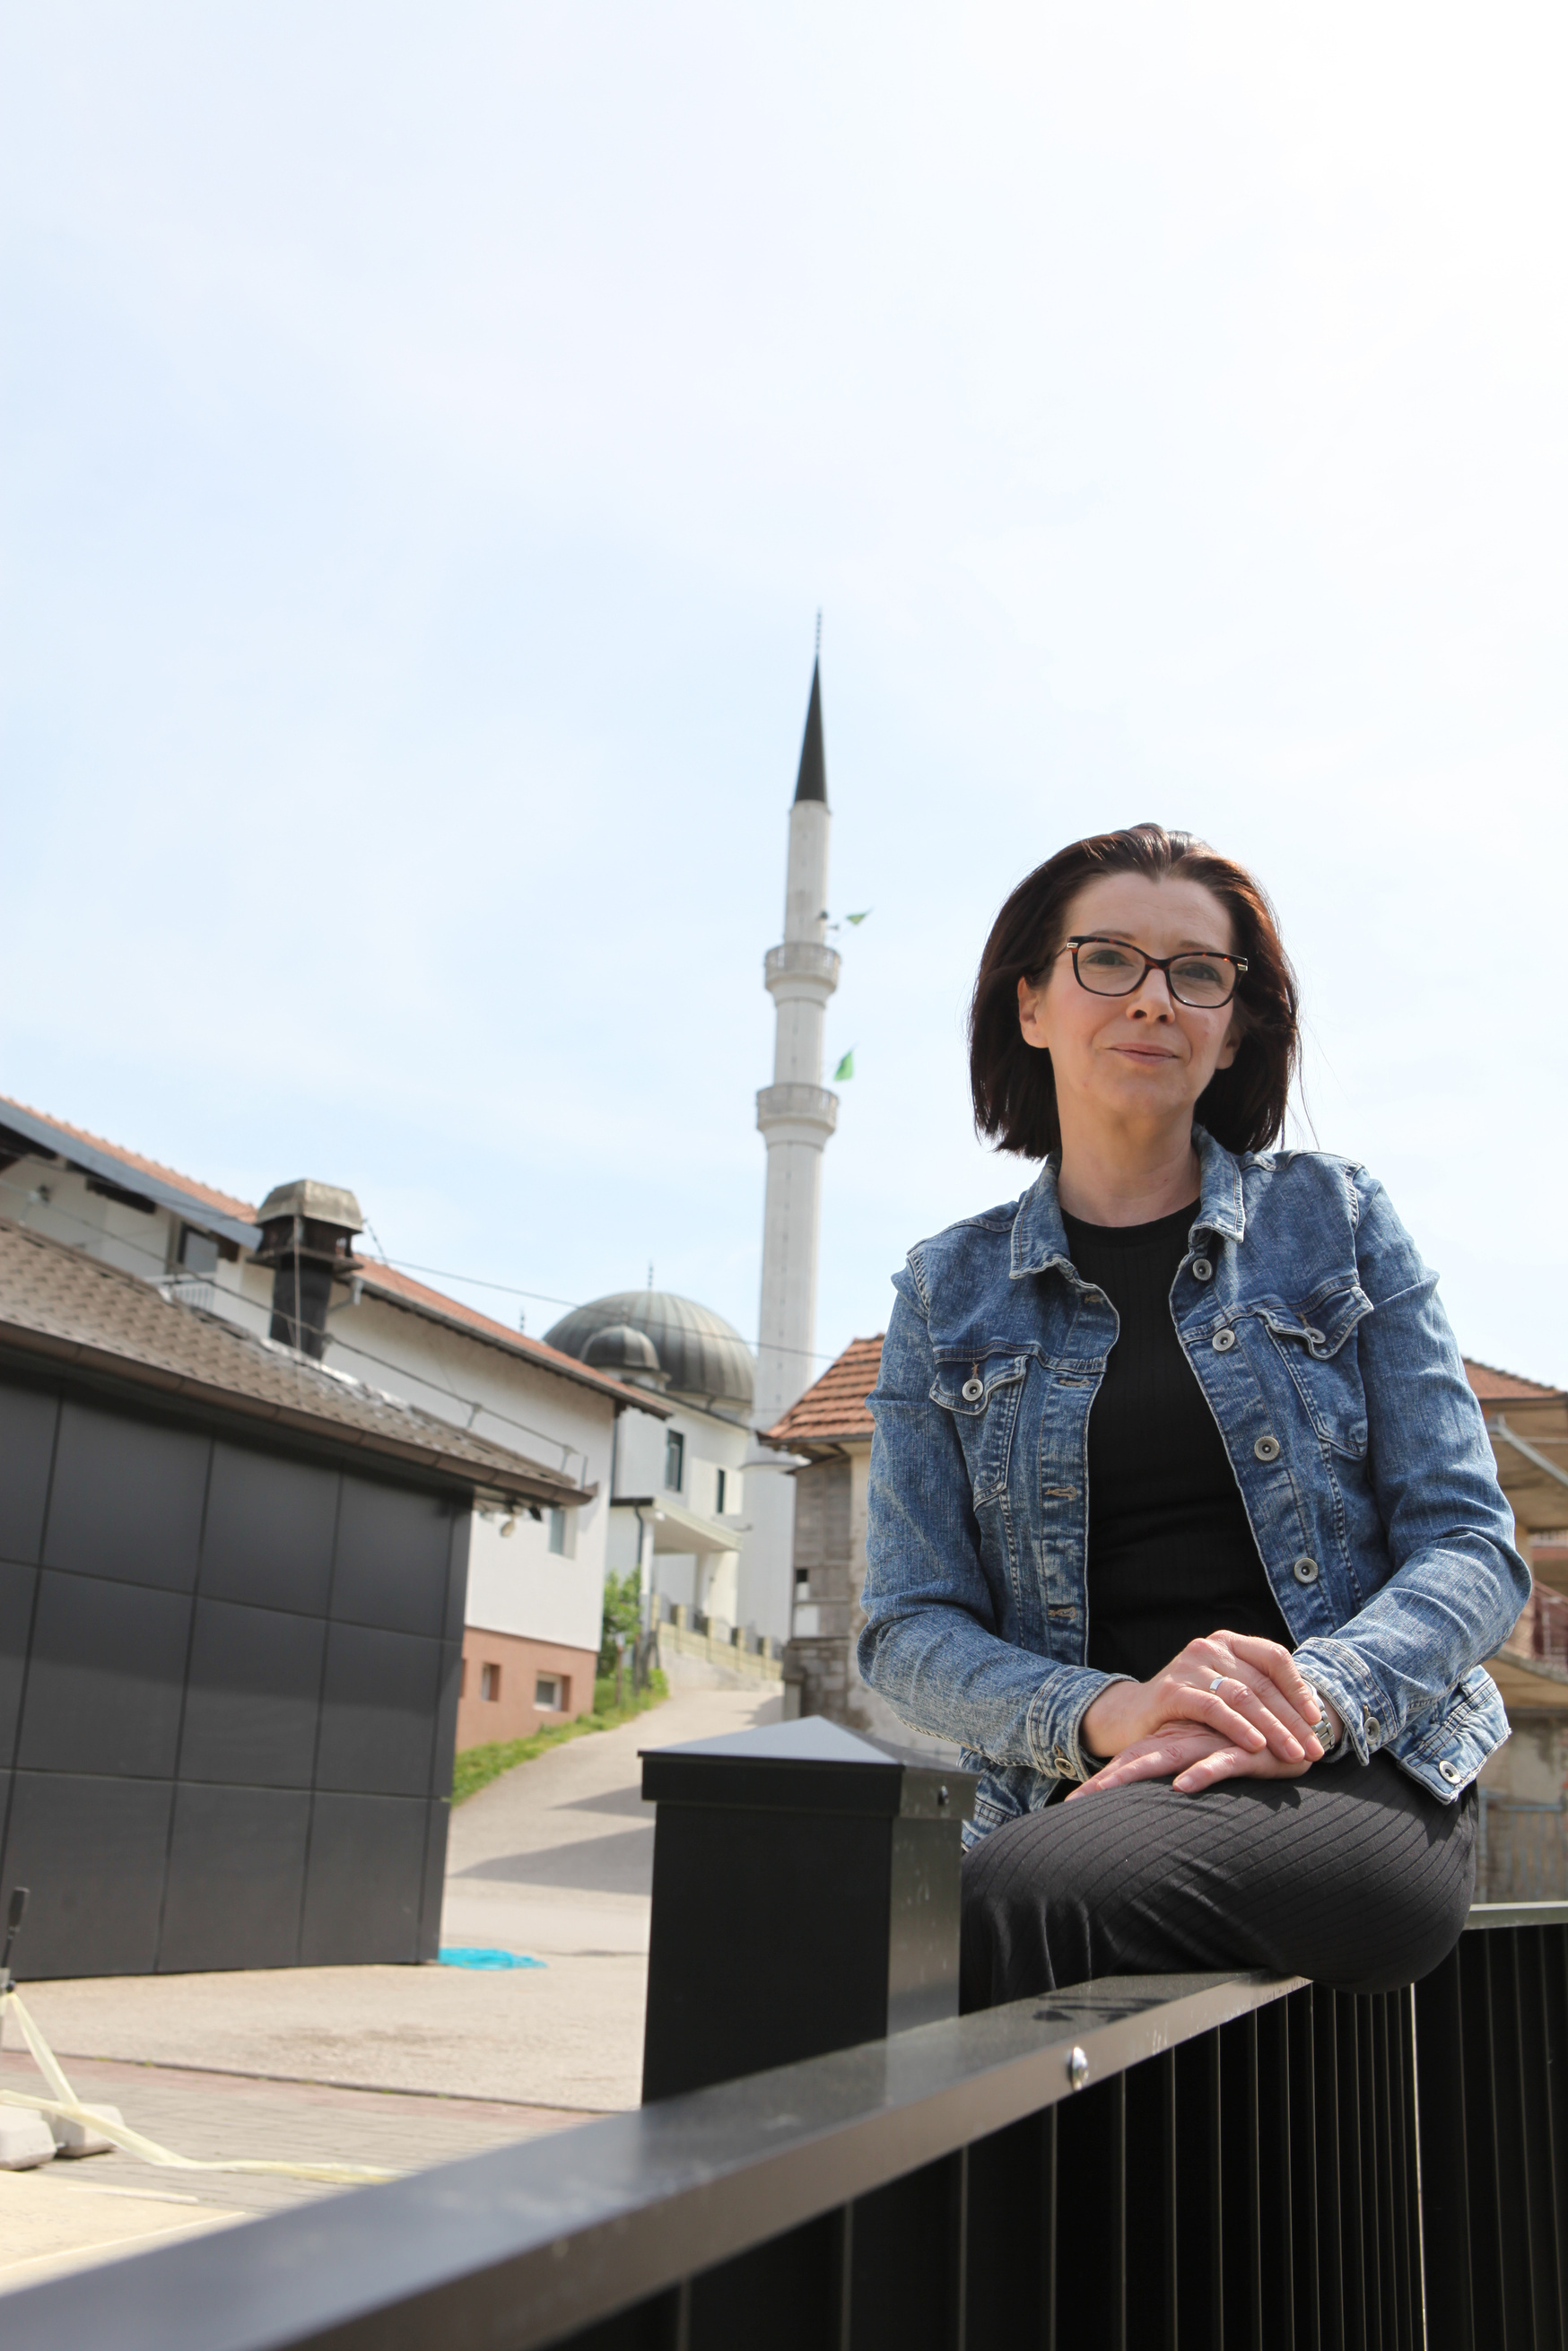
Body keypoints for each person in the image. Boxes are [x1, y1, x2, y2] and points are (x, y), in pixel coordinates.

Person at [858, 823, 1528, 2006]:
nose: (1153, 1000)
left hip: (1354, 1770)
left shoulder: (1340, 1220)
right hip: (1084, 1783)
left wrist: (1302, 1698)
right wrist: (1114, 1711)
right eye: (1108, 959)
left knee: (1010, 1906)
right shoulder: (943, 1290)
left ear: (1231, 1032)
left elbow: (1473, 1547)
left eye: (1197, 973)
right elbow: (908, 1626)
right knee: (852, 1943)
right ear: (1030, 1004)